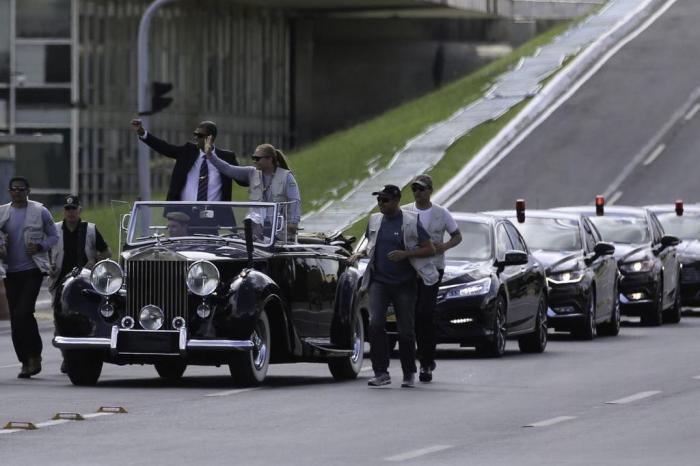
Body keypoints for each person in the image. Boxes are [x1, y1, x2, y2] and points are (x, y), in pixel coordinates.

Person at [349, 185, 437, 388]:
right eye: (379, 200)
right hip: (379, 281)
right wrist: (360, 253)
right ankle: (381, 372)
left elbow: (429, 248)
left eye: (385, 200)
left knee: (405, 330)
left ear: (396, 201)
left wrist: (405, 254)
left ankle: (408, 373)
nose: (381, 204)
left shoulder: (410, 221)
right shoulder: (374, 220)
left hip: (404, 283)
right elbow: (370, 244)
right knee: (375, 324)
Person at [402, 174, 462, 383]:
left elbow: (457, 235)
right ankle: (415, 359)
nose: (418, 193)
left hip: (433, 268)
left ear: (430, 191)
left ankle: (426, 361)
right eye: (415, 189)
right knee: (412, 314)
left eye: (421, 189)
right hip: (411, 268)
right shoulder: (406, 211)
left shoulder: (441, 213)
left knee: (425, 313)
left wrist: (443, 247)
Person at [0, 177, 59, 378]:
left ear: (28, 191)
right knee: (17, 320)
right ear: (9, 192)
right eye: (13, 189)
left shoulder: (40, 211)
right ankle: (25, 361)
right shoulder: (2, 212)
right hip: (10, 271)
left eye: (20, 189)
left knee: (23, 313)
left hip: (32, 270)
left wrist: (41, 246)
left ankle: (35, 355)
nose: (16, 192)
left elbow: (54, 236)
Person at [49, 195, 111, 374]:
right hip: (60, 281)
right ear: (64, 211)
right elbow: (46, 250)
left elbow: (107, 251)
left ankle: (75, 357)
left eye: (74, 209)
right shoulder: (54, 229)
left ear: (79, 210)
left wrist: (94, 262)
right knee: (60, 321)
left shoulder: (90, 229)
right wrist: (49, 266)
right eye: (68, 209)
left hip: (84, 281)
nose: (71, 213)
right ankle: (67, 357)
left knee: (81, 318)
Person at [130, 119, 243, 201]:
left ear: (210, 138)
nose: (195, 137)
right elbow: (165, 148)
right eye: (195, 134)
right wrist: (142, 133)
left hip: (214, 217)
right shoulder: (187, 151)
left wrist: (255, 173)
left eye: (199, 135)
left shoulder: (226, 157)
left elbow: (243, 181)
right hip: (184, 216)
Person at [206, 142, 301, 238]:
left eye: (258, 158)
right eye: (253, 158)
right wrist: (211, 156)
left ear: (269, 159)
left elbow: (295, 201)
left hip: (278, 231)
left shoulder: (286, 176)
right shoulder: (251, 173)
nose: (255, 161)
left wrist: (293, 223)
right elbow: (228, 169)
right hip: (255, 231)